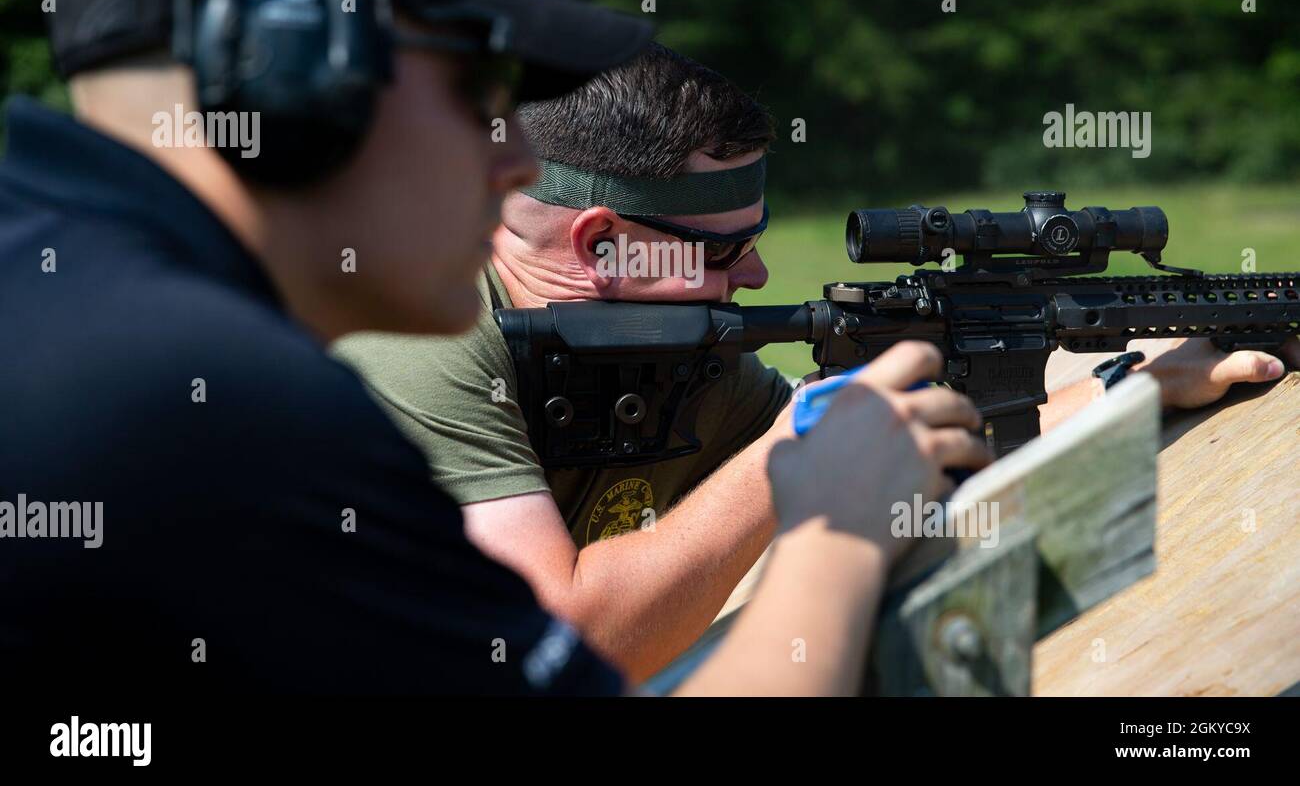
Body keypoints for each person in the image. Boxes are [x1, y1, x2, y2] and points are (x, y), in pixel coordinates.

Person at [0, 0, 992, 697]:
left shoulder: (67, 306)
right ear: (296, 73)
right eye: (476, 85)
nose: (517, 161)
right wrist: (831, 524)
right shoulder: (223, 394)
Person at [335, 41, 1300, 681]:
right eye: (720, 250)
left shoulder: (674, 336)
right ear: (602, 247)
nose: (754, 270)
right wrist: (796, 443)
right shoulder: (417, 336)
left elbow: (911, 418)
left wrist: (1130, 377)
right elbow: (555, 650)